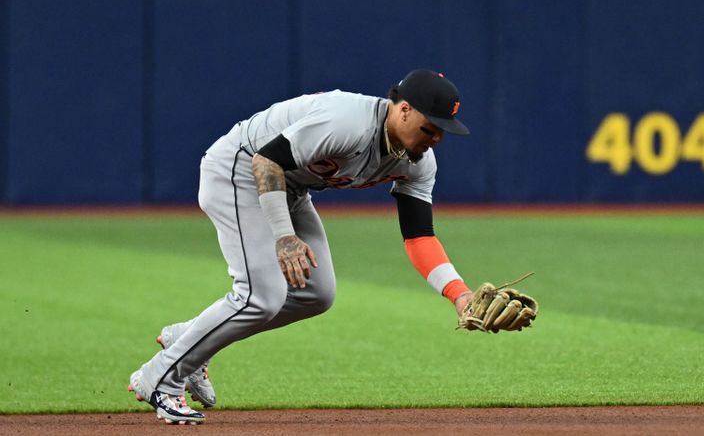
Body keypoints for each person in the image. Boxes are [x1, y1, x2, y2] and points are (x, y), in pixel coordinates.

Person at [128, 69, 474, 424]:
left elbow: (420, 237)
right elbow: (265, 160)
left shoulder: (417, 163)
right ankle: (160, 379)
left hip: (289, 189)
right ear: (403, 110)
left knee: (316, 294)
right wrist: (284, 235)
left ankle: (188, 338)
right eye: (429, 128)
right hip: (239, 170)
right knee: (259, 296)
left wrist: (460, 295)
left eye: (441, 132)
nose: (435, 139)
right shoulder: (348, 121)